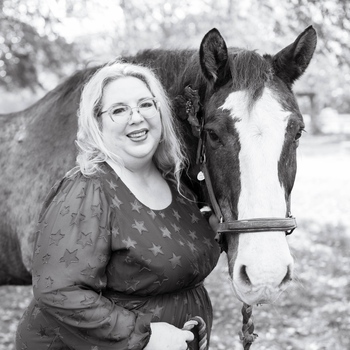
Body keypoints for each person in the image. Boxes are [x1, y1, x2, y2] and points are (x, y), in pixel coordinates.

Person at [16, 60, 220, 350]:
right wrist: (144, 338)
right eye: (119, 110)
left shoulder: (177, 183)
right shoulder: (88, 188)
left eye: (145, 105)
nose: (136, 118)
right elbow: (58, 290)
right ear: (97, 123)